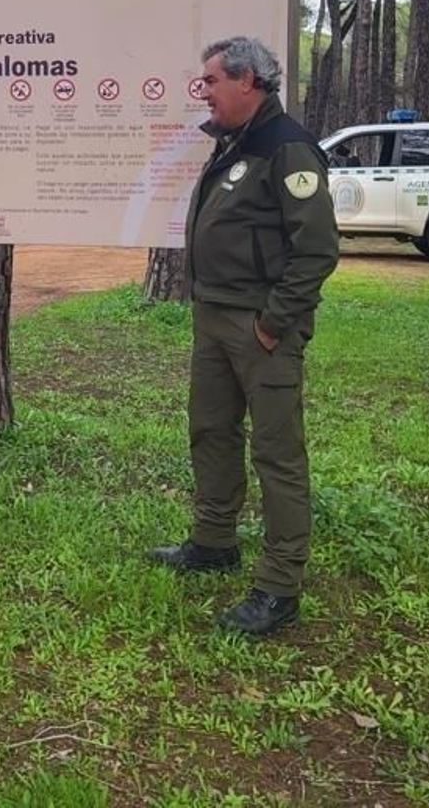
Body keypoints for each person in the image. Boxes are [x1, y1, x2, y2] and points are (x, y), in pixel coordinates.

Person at [152, 36, 339, 637]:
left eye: (209, 81)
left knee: (277, 454)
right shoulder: (235, 143)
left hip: (260, 328)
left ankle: (280, 588)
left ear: (247, 82)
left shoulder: (288, 150)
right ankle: (213, 542)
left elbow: (315, 251)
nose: (202, 91)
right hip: (213, 318)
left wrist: (273, 322)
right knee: (210, 430)